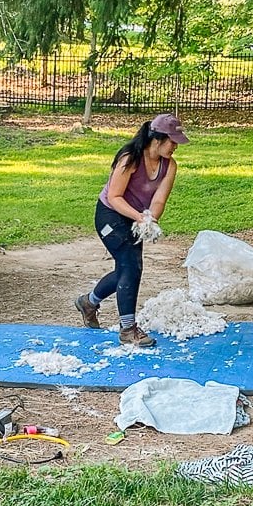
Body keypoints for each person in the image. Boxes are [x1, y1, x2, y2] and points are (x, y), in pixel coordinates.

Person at [74, 113, 189, 347]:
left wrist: (150, 218)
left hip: (135, 218)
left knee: (128, 269)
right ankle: (127, 329)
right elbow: (115, 197)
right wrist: (139, 216)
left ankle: (89, 301)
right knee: (130, 266)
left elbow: (159, 200)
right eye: (172, 141)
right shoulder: (130, 158)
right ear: (157, 138)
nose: (175, 146)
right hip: (110, 214)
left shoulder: (170, 166)